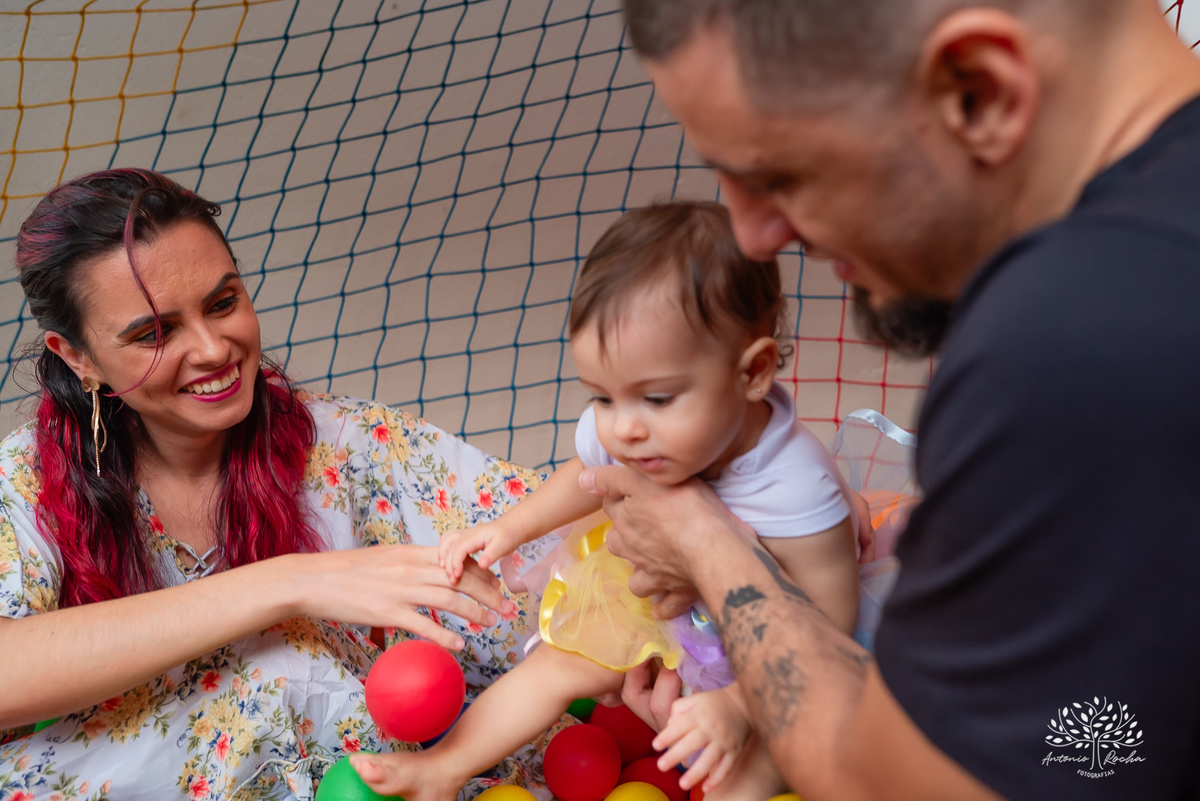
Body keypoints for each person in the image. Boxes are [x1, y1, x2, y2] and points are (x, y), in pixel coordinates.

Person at [562, 1, 1200, 799]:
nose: (756, 235)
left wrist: (700, 534)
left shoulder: (1072, 341)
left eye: (778, 175)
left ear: (979, 89)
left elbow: (889, 783)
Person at [0, 168, 566, 800]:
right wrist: (290, 583)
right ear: (76, 356)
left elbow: (573, 544)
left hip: (398, 778)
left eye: (223, 303)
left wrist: (628, 628)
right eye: (155, 334)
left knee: (293, 668)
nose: (215, 348)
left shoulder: (351, 446)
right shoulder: (32, 480)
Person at [350, 201, 861, 800]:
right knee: (558, 664)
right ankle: (443, 769)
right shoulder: (629, 428)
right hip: (659, 600)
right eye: (603, 397)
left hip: (767, 652)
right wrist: (510, 528)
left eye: (658, 398)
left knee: (760, 764)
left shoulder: (797, 484)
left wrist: (737, 704)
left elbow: (830, 622)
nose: (624, 429)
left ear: (753, 373)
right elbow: (587, 473)